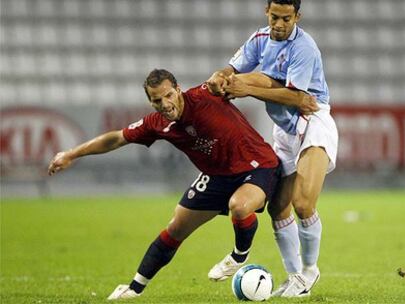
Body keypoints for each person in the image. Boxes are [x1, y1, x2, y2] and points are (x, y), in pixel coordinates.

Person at [48, 68, 297, 300]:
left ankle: (239, 255)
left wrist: (225, 76)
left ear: (178, 89)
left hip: (258, 164)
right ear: (151, 103)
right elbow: (116, 139)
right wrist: (71, 154)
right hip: (217, 176)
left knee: (240, 206)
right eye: (157, 101)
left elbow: (233, 78)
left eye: (168, 95)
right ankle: (134, 289)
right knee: (176, 227)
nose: (165, 104)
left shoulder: (206, 94)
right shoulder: (156, 123)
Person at [207, 0, 339, 298]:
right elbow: (232, 68)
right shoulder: (260, 38)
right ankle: (295, 279)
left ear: (297, 17)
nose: (279, 24)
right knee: (278, 207)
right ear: (267, 12)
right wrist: (220, 77)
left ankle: (309, 271)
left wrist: (247, 89)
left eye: (286, 19)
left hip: (312, 122)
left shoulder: (304, 47)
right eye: (275, 17)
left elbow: (298, 98)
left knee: (303, 203)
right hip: (284, 130)